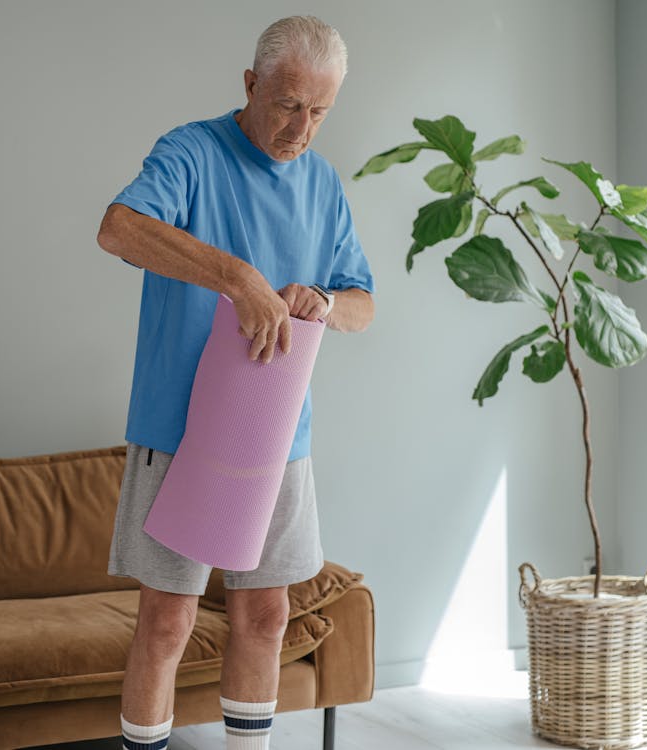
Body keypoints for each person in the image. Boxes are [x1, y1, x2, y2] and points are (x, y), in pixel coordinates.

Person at [96, 15, 375, 750]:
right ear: (250, 85)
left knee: (265, 616)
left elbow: (362, 304)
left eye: (319, 111)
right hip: (178, 428)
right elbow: (118, 228)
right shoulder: (191, 152)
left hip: (278, 435)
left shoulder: (322, 184)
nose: (301, 128)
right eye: (287, 105)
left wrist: (326, 303)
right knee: (167, 621)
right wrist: (237, 277)